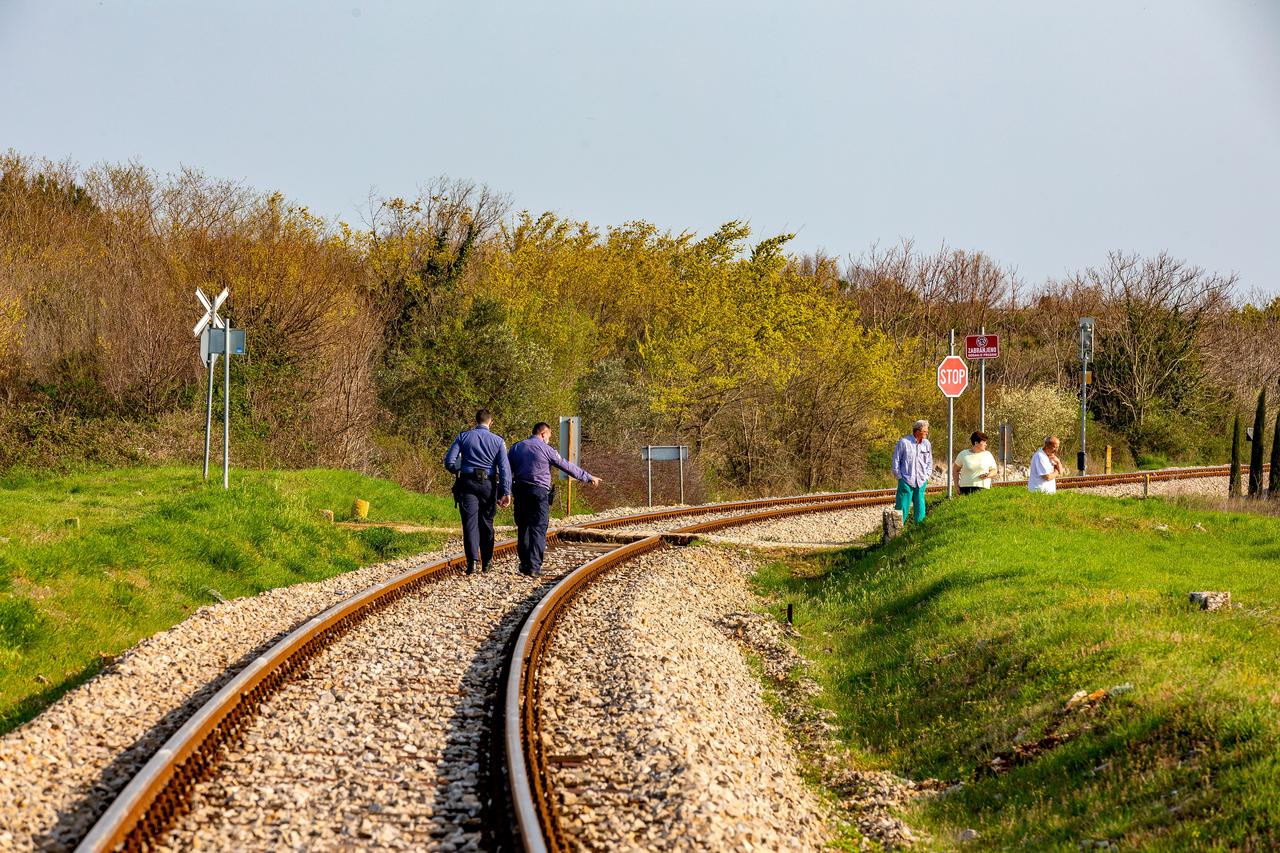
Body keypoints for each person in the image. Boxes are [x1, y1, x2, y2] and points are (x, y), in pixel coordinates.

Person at [508, 422, 601, 576]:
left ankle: (524, 564)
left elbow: (505, 470)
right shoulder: (547, 449)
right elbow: (566, 466)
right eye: (549, 436)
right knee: (538, 527)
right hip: (538, 492)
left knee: (523, 527)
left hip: (520, 490)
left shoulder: (517, 447)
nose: (549, 439)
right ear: (543, 434)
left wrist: (503, 491)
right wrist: (588, 477)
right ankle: (534, 566)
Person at [443, 409, 512, 574]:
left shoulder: (463, 437)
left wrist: (459, 471)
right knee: (487, 523)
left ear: (475, 421)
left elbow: (449, 461)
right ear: (491, 422)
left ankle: (472, 562)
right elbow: (504, 469)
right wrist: (505, 491)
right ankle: (487, 562)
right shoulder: (498, 441)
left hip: (467, 483)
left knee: (470, 524)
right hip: (488, 484)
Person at [891, 419, 932, 524]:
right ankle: (897, 535)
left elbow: (929, 462)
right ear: (917, 431)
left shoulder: (927, 444)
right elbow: (896, 461)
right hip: (906, 481)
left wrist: (927, 476)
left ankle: (918, 533)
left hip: (921, 481)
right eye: (925, 431)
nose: (927, 433)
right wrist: (900, 478)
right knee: (901, 510)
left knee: (920, 511)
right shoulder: (903, 442)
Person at [953, 431, 998, 495]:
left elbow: (994, 471)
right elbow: (955, 470)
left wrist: (987, 475)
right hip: (965, 489)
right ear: (976, 443)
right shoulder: (963, 454)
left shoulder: (988, 455)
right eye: (984, 442)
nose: (986, 444)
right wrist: (956, 486)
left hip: (983, 489)